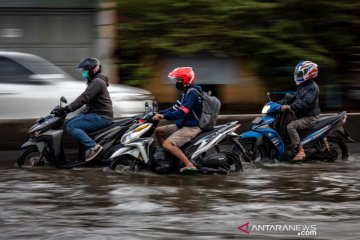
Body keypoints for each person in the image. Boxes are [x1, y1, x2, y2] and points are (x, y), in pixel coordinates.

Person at [56, 57, 113, 162]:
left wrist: (67, 109)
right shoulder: (94, 81)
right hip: (96, 114)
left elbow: (83, 98)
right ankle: (82, 156)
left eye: (85, 70)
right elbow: (87, 101)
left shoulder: (97, 82)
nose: (83, 73)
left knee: (71, 126)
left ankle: (93, 147)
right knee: (70, 122)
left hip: (101, 117)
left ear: (93, 70)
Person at [152, 67, 203, 173]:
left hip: (191, 127)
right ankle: (168, 156)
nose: (176, 82)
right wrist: (159, 113)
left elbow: (181, 112)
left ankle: (189, 165)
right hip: (183, 125)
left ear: (185, 80)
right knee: (158, 131)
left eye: (179, 80)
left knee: (167, 144)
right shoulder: (185, 92)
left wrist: (163, 117)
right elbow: (174, 108)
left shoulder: (192, 93)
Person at [280, 61, 321, 161]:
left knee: (291, 126)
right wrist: (280, 102)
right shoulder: (302, 85)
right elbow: (294, 97)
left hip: (310, 117)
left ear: (309, 73)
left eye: (300, 74)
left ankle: (301, 151)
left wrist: (290, 107)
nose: (297, 76)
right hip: (302, 114)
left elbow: (306, 103)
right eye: (297, 74)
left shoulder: (313, 87)